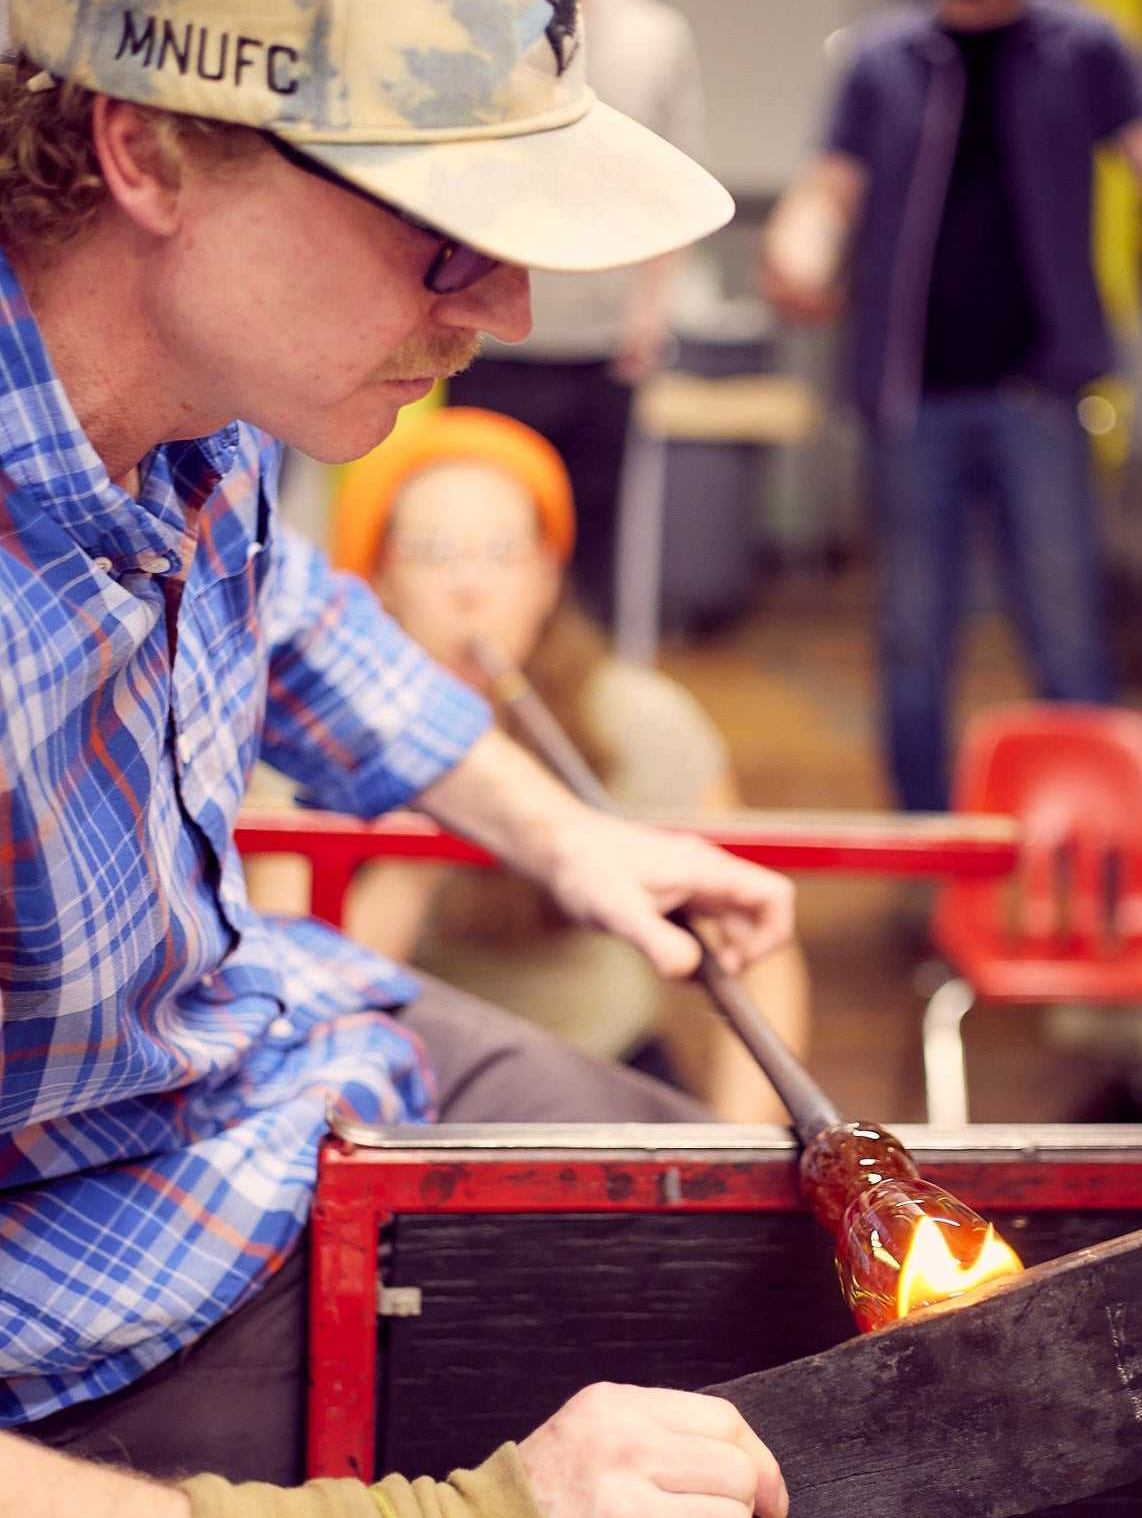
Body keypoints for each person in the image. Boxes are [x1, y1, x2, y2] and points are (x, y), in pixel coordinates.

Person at [0, 0, 791, 1518]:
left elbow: (288, 621)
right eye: (443, 234)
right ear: (149, 147)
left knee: (752, 1267)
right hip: (84, 1329)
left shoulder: (183, 399)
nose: (503, 309)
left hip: (262, 1056)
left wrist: (569, 835)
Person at [762, 0, 1142, 815]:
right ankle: (924, 849)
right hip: (911, 397)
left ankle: (1092, 849)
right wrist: (796, 249)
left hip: (1040, 392)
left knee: (1064, 630)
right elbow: (829, 188)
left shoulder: (1083, 47)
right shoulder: (878, 59)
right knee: (912, 635)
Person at [316, 404, 810, 1128]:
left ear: (548, 576)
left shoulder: (638, 720)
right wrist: (411, 845)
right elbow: (304, 1005)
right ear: (379, 577)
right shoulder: (310, 731)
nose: (469, 588)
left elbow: (761, 965)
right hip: (397, 1088)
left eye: (502, 552)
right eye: (432, 552)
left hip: (605, 1076)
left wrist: (740, 1162)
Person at [459, 0, 707, 624]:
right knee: (485, 550)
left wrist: (651, 313)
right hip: (486, 342)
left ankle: (586, 732)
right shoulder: (476, 24)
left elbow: (676, 184)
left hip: (605, 349)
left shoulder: (656, 36)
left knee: (590, 564)